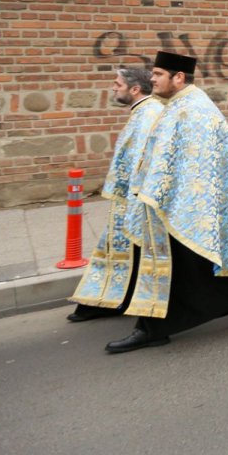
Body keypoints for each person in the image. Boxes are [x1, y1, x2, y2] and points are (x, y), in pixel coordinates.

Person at [105, 52, 228, 354]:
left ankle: (154, 328)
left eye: (158, 74)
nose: (152, 79)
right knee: (193, 266)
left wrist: (162, 193)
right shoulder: (177, 105)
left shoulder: (194, 109)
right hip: (173, 201)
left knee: (193, 263)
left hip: (191, 203)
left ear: (179, 77)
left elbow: (197, 164)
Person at [67, 67, 163, 323]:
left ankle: (124, 302)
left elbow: (143, 160)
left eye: (118, 84)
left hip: (136, 199)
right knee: (120, 249)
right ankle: (111, 300)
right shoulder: (143, 111)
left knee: (133, 250)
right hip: (127, 197)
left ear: (135, 89)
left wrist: (136, 198)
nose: (113, 87)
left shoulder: (149, 113)